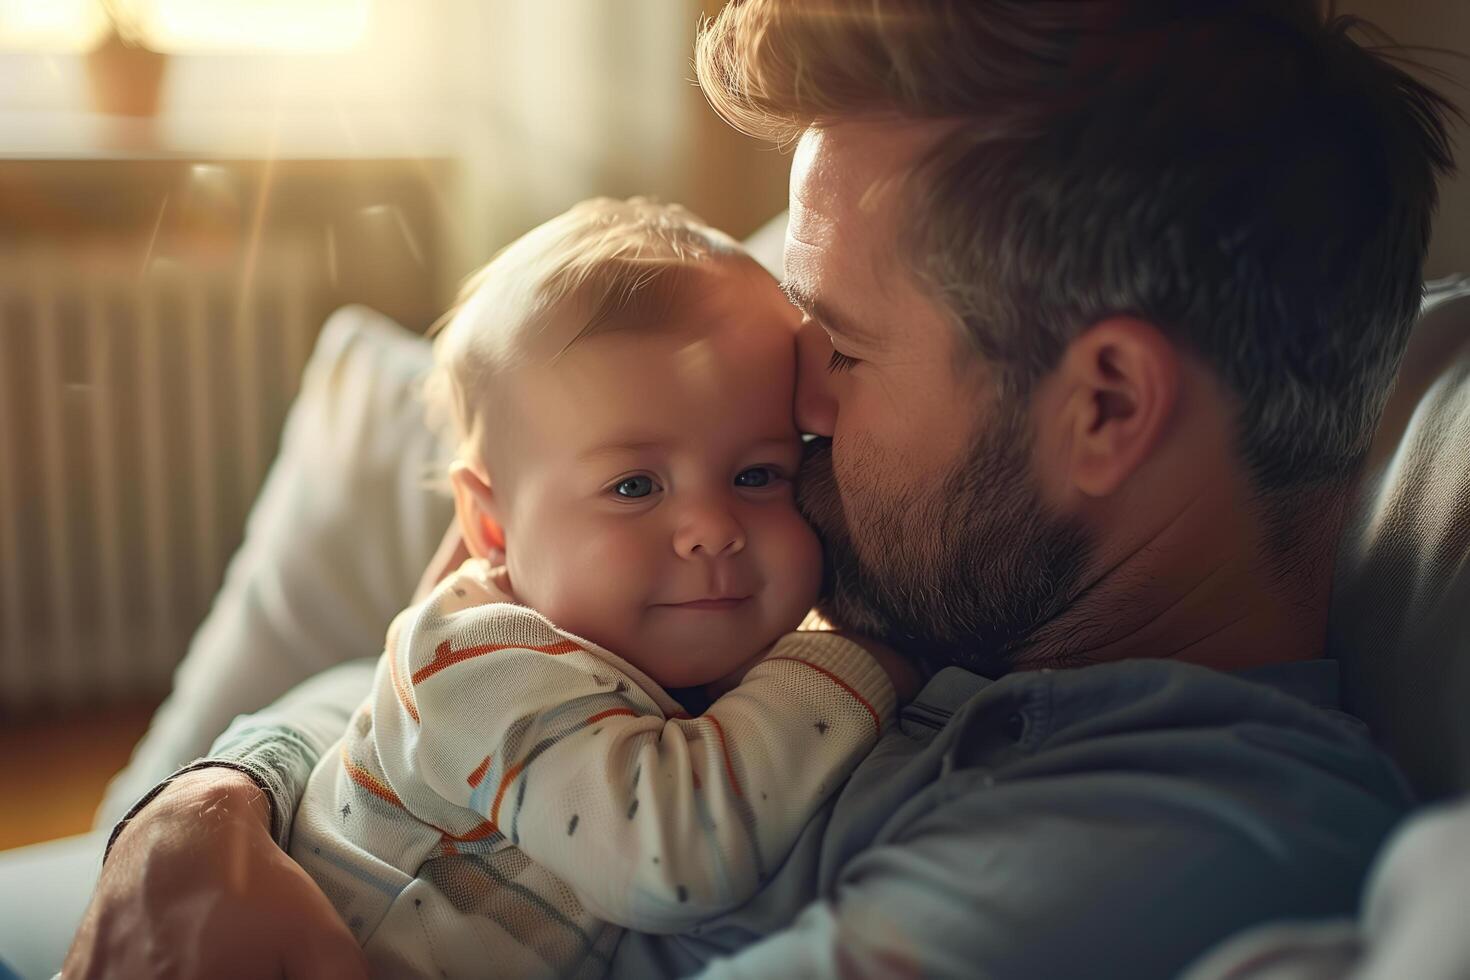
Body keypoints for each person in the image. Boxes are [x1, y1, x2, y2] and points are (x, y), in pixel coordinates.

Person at [66, 1, 1460, 977]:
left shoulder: (1181, 833)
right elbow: (429, 672)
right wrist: (197, 814)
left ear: (1101, 407)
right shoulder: (925, 591)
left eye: (839, 349)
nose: (789, 415)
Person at [285, 196, 904, 978]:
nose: (711, 527)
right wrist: (854, 658)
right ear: (494, 526)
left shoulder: (677, 659)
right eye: (635, 485)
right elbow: (669, 858)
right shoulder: (477, 659)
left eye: (757, 474)